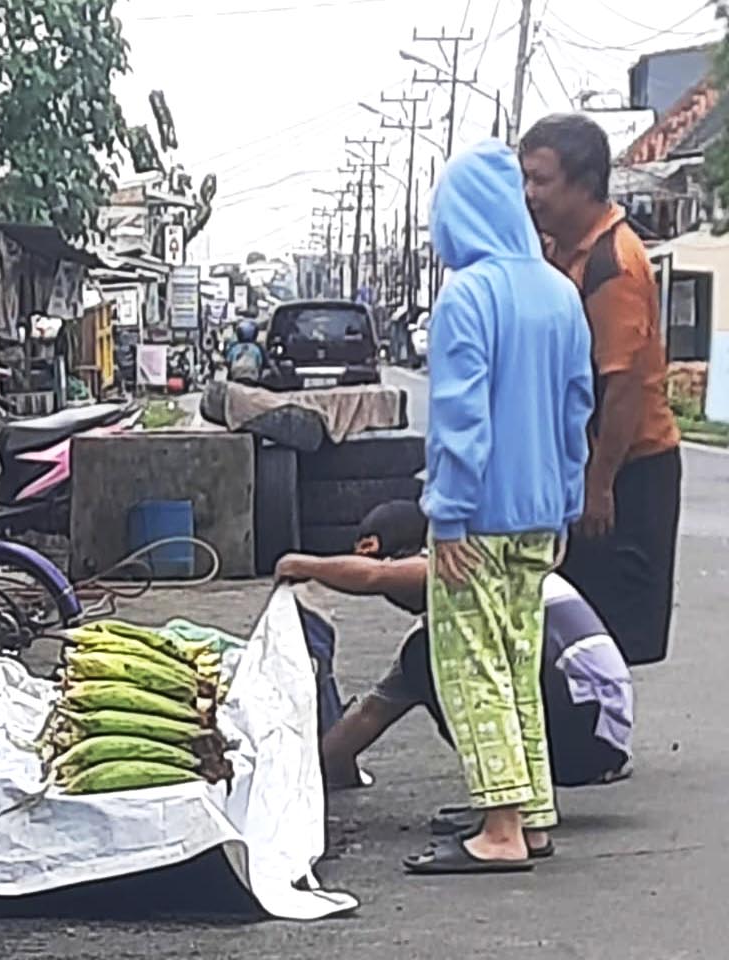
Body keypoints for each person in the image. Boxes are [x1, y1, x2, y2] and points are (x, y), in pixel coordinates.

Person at [409, 138, 594, 874]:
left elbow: (460, 415)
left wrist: (446, 512)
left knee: (471, 666)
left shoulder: (467, 294)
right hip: (542, 514)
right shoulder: (559, 291)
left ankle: (501, 828)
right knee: (520, 662)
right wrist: (569, 505)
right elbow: (578, 408)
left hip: (477, 517)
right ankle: (534, 813)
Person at [278, 502, 634, 820]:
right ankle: (508, 802)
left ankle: (504, 805)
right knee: (423, 657)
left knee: (426, 655)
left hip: (585, 725)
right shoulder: (449, 625)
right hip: (597, 735)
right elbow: (369, 716)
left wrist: (303, 564)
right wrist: (318, 769)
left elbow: (377, 576)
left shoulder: (467, 565)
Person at [521, 114, 683, 668]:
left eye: (541, 180)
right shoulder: (561, 253)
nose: (530, 194)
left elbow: (623, 388)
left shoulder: (616, 263)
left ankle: (601, 738)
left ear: (584, 183)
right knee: (573, 610)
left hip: (629, 465)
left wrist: (600, 485)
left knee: (610, 623)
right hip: (587, 462)